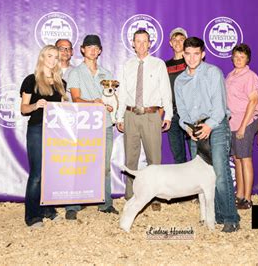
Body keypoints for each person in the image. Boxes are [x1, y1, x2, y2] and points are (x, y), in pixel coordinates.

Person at [174, 37, 240, 233]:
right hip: (195, 129)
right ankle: (214, 215)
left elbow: (219, 108)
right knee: (203, 175)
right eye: (188, 54)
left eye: (196, 54)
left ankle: (230, 218)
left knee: (220, 172)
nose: (192, 58)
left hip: (216, 125)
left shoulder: (212, 73)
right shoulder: (180, 80)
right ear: (183, 54)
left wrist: (209, 126)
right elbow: (182, 112)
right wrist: (187, 128)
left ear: (202, 54)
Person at [116, 29, 173, 210]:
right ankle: (130, 195)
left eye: (144, 41)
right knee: (130, 158)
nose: (141, 45)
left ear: (150, 44)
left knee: (154, 158)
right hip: (131, 114)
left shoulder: (158, 64)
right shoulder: (127, 65)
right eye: (137, 41)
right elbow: (122, 92)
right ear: (132, 44)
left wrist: (169, 115)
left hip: (151, 115)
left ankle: (155, 197)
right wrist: (119, 116)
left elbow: (165, 91)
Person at [64, 35, 119, 220]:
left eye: (96, 47)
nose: (93, 50)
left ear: (100, 50)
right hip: (84, 124)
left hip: (104, 124)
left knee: (104, 165)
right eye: (89, 47)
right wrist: (95, 103)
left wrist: (111, 106)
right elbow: (76, 99)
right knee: (80, 164)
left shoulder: (106, 73)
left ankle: (105, 203)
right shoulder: (75, 73)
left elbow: (110, 99)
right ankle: (73, 204)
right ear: (82, 50)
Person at [20, 45, 68, 228]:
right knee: (37, 174)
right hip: (38, 129)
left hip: (55, 131)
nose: (53, 60)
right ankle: (32, 215)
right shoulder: (31, 80)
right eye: (49, 56)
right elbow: (23, 109)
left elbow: (64, 108)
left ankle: (47, 209)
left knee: (51, 172)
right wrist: (35, 105)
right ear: (42, 58)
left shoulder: (60, 83)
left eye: (56, 57)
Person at [225, 44, 258, 210]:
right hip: (232, 123)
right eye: (236, 56)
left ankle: (247, 198)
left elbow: (253, 101)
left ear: (247, 59)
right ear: (232, 57)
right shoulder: (230, 75)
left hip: (244, 122)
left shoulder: (250, 76)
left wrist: (243, 127)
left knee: (245, 159)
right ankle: (239, 194)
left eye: (242, 57)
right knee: (237, 159)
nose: (239, 60)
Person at [165, 27, 190, 164]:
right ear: (170, 43)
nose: (178, 42)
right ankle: (183, 185)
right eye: (175, 40)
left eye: (181, 40)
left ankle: (197, 185)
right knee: (178, 156)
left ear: (186, 41)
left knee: (196, 153)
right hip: (173, 113)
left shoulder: (192, 62)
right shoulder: (165, 65)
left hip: (191, 113)